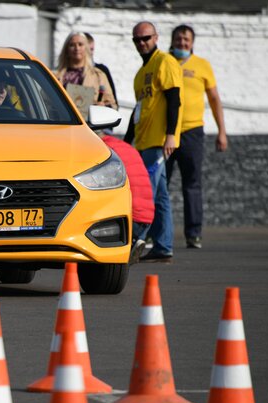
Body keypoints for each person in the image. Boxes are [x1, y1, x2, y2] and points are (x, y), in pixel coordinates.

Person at [123, 21, 182, 263]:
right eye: (137, 39)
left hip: (159, 141)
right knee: (160, 196)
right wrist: (127, 141)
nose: (141, 43)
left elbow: (174, 100)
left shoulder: (165, 62)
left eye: (145, 38)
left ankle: (137, 239)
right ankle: (163, 246)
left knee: (144, 193)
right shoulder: (140, 74)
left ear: (156, 37)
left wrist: (170, 134)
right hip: (144, 142)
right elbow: (138, 110)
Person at [166, 25, 228, 250]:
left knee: (192, 184)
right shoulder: (164, 61)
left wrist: (222, 131)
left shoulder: (202, 65)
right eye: (178, 39)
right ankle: (154, 234)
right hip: (166, 133)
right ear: (171, 41)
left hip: (192, 132)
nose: (182, 43)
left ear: (192, 42)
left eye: (186, 39)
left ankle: (194, 234)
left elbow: (214, 99)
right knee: (159, 183)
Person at [102, 134, 155, 264]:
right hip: (147, 217)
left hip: (131, 219)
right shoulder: (127, 148)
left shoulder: (104, 151)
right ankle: (135, 241)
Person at [54, 32, 116, 112]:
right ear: (66, 49)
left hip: (89, 123)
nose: (77, 48)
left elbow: (113, 105)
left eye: (80, 44)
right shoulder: (55, 76)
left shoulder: (98, 75)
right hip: (63, 122)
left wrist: (103, 107)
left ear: (86, 48)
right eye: (72, 45)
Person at [84, 32, 118, 105]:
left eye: (92, 49)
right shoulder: (67, 72)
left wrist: (102, 106)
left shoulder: (101, 71)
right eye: (87, 49)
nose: (90, 53)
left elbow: (113, 103)